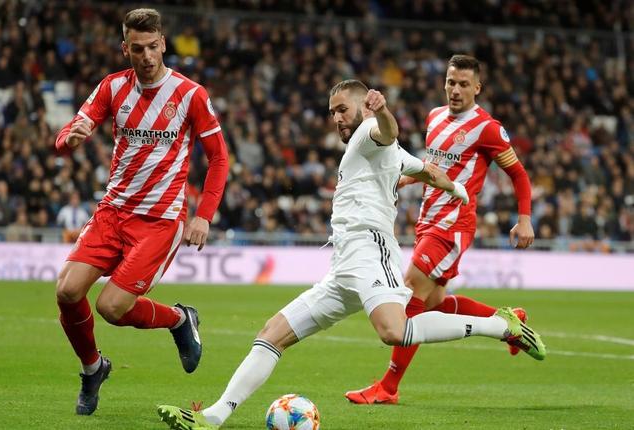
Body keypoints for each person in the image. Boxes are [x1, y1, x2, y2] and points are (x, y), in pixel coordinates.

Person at [155, 80, 545, 430]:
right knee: (272, 334)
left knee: (394, 331)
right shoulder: (391, 154)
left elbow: (386, 132)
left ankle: (500, 326)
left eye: (342, 109)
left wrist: (383, 112)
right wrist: (456, 190)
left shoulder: (367, 133)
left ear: (362, 107)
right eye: (332, 112)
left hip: (371, 251)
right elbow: (429, 171)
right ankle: (213, 417)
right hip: (343, 265)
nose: (337, 118)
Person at [54, 8, 229, 416]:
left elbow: (219, 158)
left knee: (111, 307)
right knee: (66, 291)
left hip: (160, 220)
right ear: (125, 49)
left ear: (163, 44)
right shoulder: (112, 87)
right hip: (113, 212)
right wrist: (69, 140)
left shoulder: (190, 95)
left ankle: (179, 319)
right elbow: (68, 131)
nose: (147, 56)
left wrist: (204, 214)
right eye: (138, 49)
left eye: (153, 46)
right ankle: (93, 368)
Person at [345, 54, 537, 405]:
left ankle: (388, 387)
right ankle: (506, 322)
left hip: (453, 224)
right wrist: (408, 177)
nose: (456, 90)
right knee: (435, 304)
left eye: (464, 84)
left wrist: (524, 218)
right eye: (451, 82)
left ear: (477, 88)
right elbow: (434, 164)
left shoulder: (487, 128)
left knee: (410, 294)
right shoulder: (434, 116)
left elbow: (519, 174)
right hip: (427, 220)